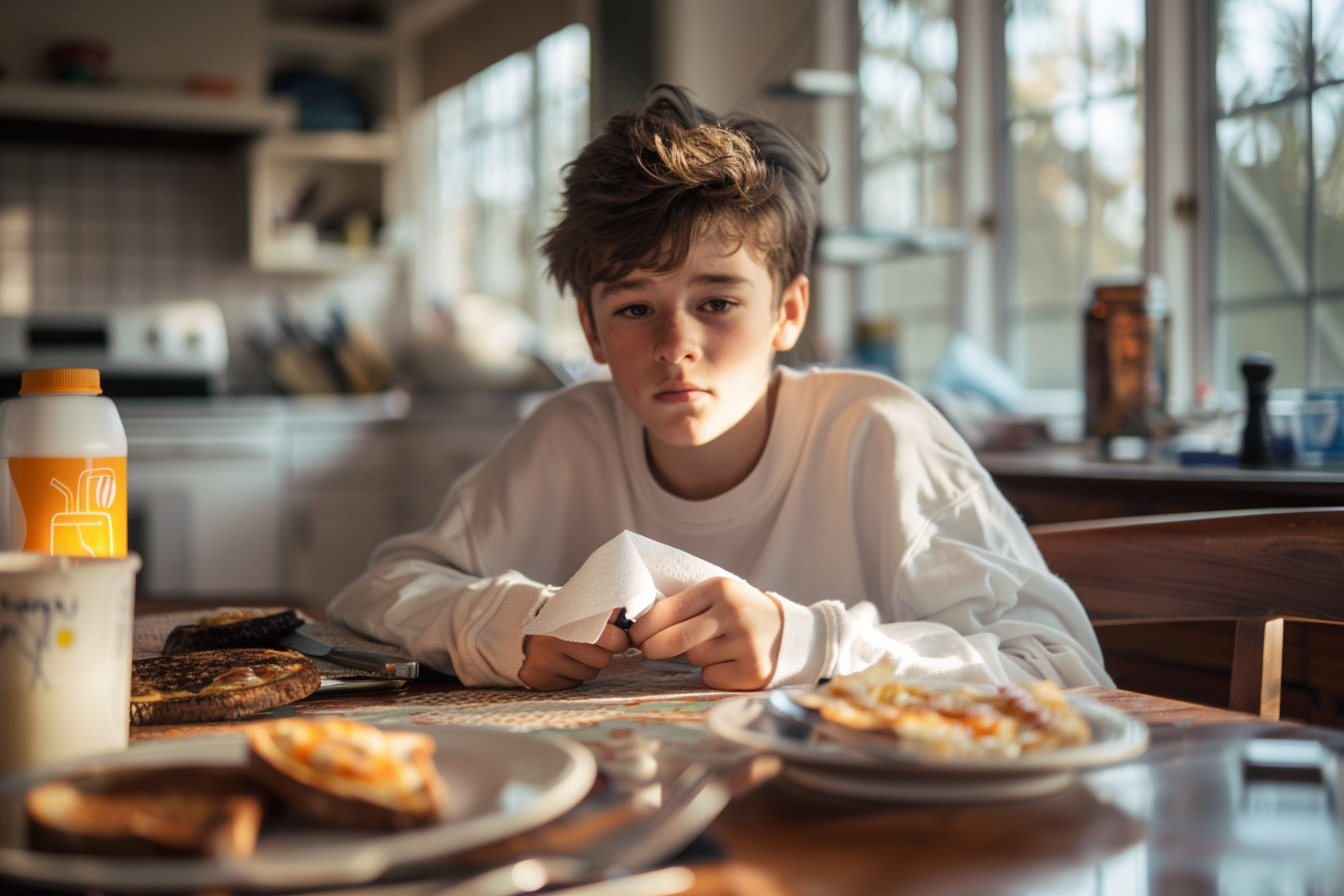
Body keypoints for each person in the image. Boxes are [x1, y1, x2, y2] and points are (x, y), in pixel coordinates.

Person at [328, 85, 1111, 692]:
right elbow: (378, 592)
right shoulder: (567, 437)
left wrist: (811, 642)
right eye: (636, 308)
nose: (677, 347)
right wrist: (510, 626)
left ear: (788, 312)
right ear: (592, 332)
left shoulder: (879, 435)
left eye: (718, 303)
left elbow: (1065, 667)